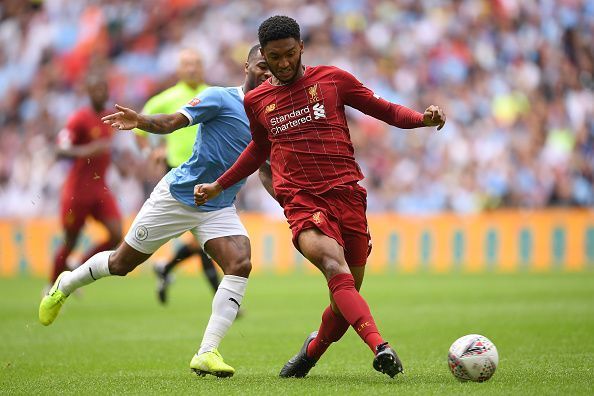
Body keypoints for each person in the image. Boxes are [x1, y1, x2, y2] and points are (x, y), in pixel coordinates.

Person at [193, 15, 446, 379]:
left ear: (301, 49)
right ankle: (381, 347)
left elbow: (387, 110)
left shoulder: (332, 80)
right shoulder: (257, 100)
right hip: (301, 201)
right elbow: (258, 148)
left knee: (345, 300)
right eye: (274, 57)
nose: (282, 64)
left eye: (290, 54)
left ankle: (312, 351)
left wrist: (422, 119)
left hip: (347, 196)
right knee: (333, 267)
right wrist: (219, 185)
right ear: (263, 54)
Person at [38, 45, 272, 378]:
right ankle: (66, 283)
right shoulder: (220, 98)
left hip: (217, 205)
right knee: (121, 264)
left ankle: (207, 352)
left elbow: (266, 168)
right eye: (262, 65)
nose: (268, 72)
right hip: (177, 197)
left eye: (273, 68)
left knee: (240, 261)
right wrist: (141, 122)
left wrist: (290, 201)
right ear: (246, 65)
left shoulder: (272, 118)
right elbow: (173, 120)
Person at [135, 48, 219, 305]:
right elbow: (139, 126)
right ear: (179, 69)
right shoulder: (167, 98)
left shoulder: (214, 95)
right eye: (187, 64)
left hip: (210, 175)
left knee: (203, 238)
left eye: (196, 63)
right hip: (177, 174)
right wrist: (151, 150)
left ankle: (167, 268)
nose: (192, 68)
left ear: (203, 67)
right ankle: (225, 301)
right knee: (205, 237)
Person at [50, 76, 122, 289]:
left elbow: (109, 149)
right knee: (70, 240)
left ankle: (78, 267)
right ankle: (51, 285)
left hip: (100, 189)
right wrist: (87, 151)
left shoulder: (111, 116)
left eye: (103, 88)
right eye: (95, 88)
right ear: (88, 92)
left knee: (117, 235)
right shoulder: (79, 119)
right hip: (78, 192)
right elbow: (59, 150)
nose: (100, 93)